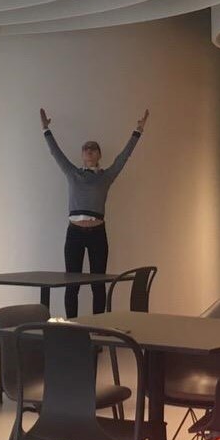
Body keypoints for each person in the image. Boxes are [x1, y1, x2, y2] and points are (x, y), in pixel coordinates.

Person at [40, 106, 149, 317]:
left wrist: (138, 131)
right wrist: (46, 129)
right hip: (74, 233)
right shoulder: (72, 172)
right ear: (82, 155)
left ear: (99, 154)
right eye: (86, 148)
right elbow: (56, 152)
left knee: (98, 284)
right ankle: (71, 328)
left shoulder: (106, 176)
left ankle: (98, 329)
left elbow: (123, 157)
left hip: (98, 234)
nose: (89, 150)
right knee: (71, 284)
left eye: (93, 148)